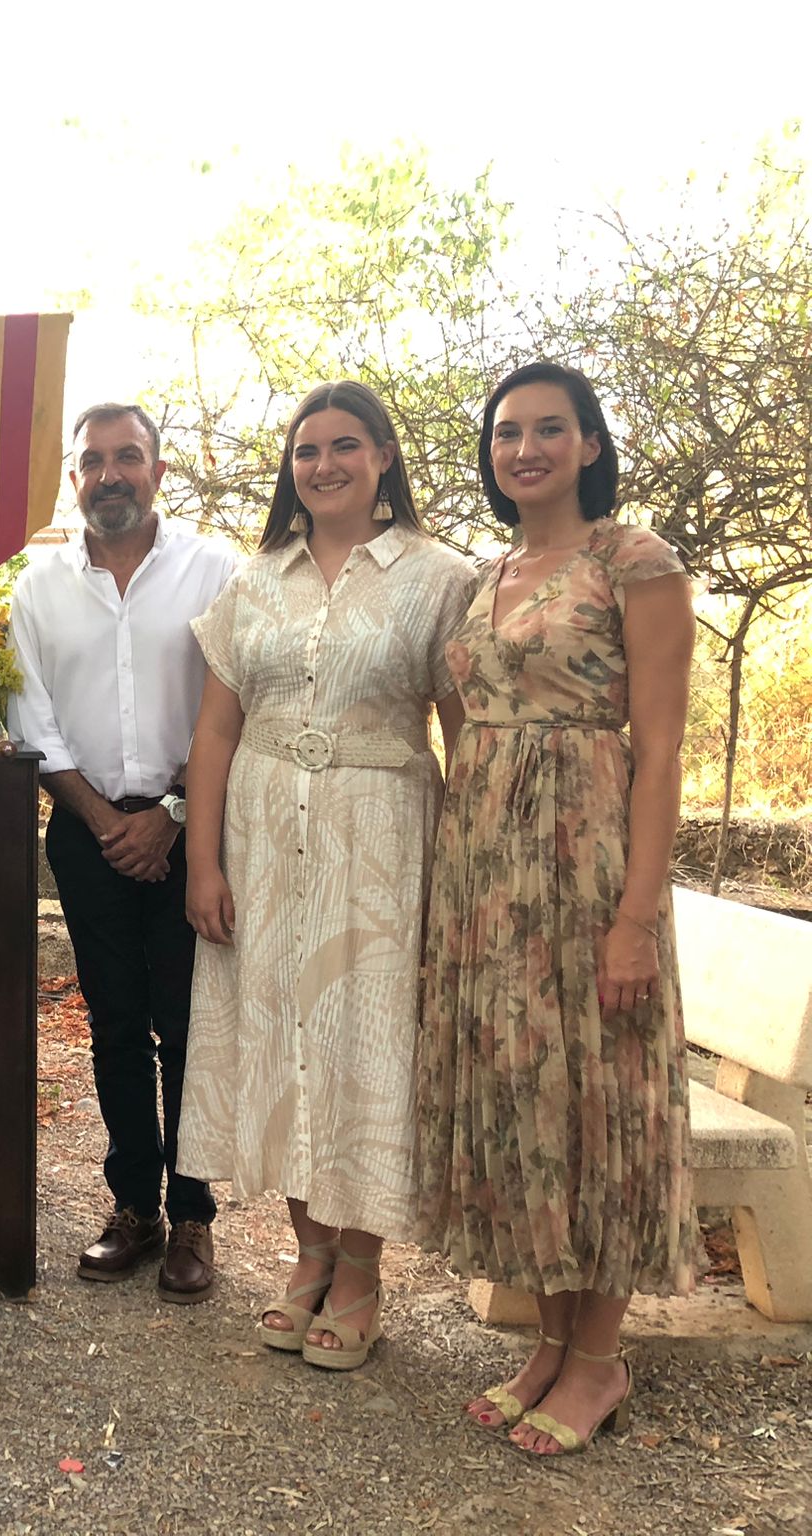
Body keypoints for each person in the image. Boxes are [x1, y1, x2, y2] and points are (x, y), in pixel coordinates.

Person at [416, 361, 698, 1455]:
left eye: (547, 429)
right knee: (523, 1102)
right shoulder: (484, 573)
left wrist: (636, 915)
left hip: (585, 870)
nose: (522, 448)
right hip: (487, 877)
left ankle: (597, 1360)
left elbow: (662, 749)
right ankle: (545, 1341)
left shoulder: (631, 560)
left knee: (597, 1101)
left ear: (587, 444)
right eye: (504, 433)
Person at [176, 381, 477, 1369]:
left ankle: (359, 1269)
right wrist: (201, 861)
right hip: (262, 848)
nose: (323, 465)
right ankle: (305, 1257)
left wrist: (467, 867)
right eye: (306, 451)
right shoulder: (255, 580)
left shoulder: (441, 579)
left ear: (383, 456)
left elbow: (463, 732)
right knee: (284, 1045)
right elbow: (214, 730)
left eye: (344, 446)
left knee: (363, 1046)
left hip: (380, 845)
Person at [8, 401, 238, 1301]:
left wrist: (174, 812)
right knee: (112, 1023)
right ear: (74, 478)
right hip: (85, 830)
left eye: (129, 457)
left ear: (159, 470)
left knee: (186, 1026)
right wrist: (106, 822)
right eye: (94, 461)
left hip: (197, 827)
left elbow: (234, 703)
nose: (111, 474)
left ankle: (193, 1217)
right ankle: (132, 1207)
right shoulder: (37, 588)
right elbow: (32, 720)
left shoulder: (216, 570)